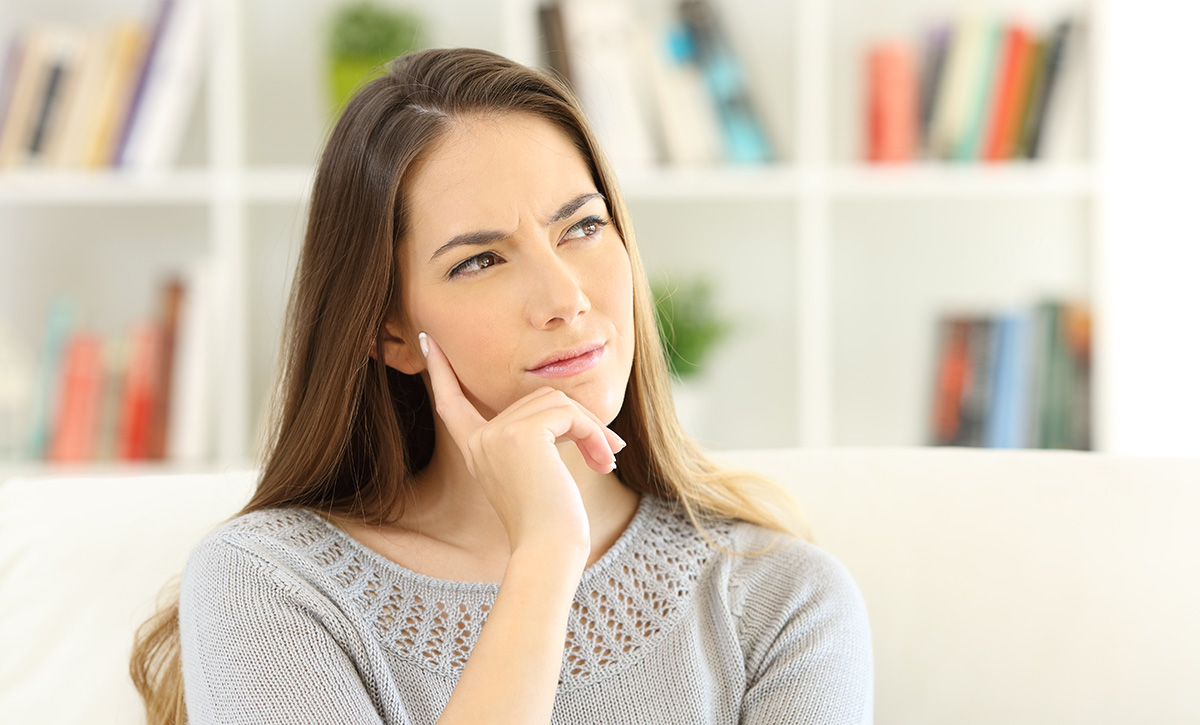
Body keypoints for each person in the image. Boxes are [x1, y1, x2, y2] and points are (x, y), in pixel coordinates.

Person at [129, 47, 874, 724]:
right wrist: (545, 554)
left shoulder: (780, 600)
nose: (564, 297)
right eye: (481, 260)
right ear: (391, 330)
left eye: (582, 227)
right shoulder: (271, 583)